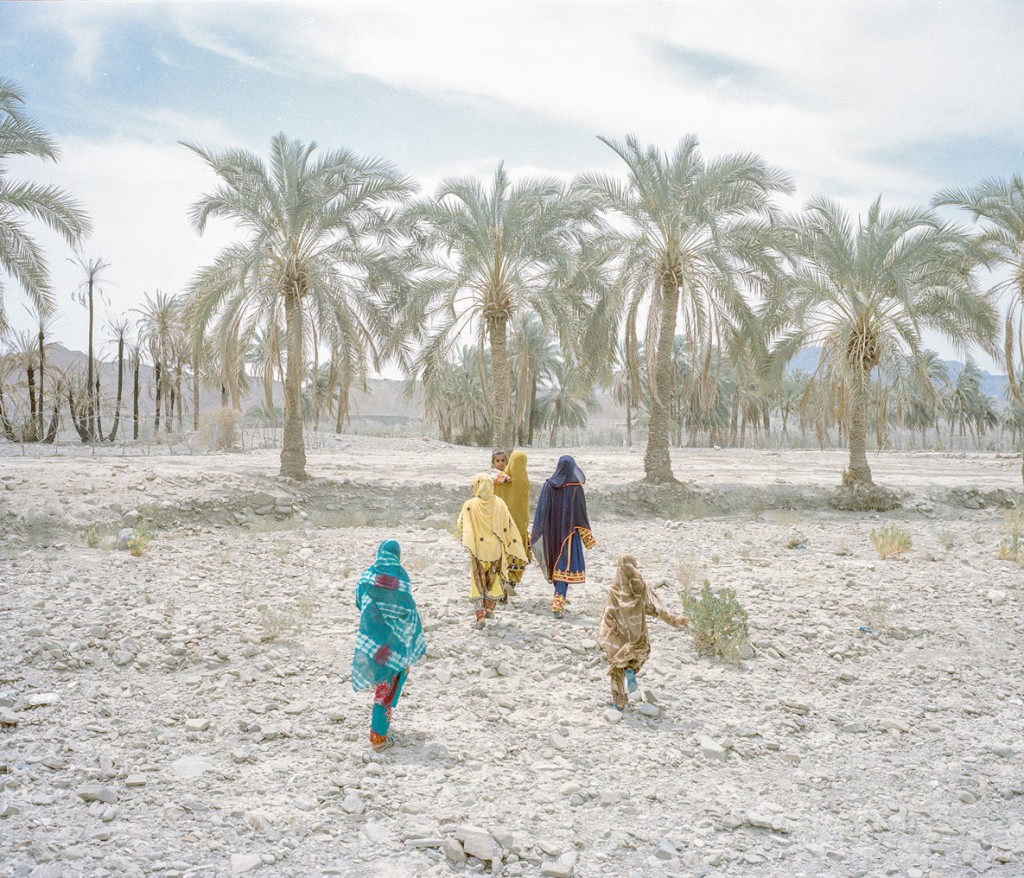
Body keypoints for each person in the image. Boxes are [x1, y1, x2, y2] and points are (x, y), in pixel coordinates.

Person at [351, 539, 427, 752]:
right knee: (386, 689)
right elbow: (409, 610)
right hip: (395, 645)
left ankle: (381, 726)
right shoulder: (400, 579)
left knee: (382, 685)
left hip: (372, 641)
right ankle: (378, 738)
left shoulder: (367, 577)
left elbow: (359, 602)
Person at [595, 555, 688, 711]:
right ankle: (630, 669)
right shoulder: (641, 588)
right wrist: (675, 620)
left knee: (616, 666)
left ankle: (619, 699)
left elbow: (608, 614)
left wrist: (603, 634)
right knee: (632, 658)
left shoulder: (614, 590)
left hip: (618, 637)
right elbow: (656, 608)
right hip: (637, 637)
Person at [457, 472, 527, 628]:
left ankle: (480, 616)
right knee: (495, 579)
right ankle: (490, 608)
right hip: (496, 550)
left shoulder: (470, 504)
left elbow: (461, 525)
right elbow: (509, 524)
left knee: (477, 581)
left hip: (478, 551)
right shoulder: (500, 503)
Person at [530, 454, 595, 618]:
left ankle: (558, 598)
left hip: (551, 534)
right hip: (569, 536)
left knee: (557, 566)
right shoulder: (575, 487)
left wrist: (538, 533)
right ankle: (558, 601)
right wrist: (587, 538)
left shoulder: (548, 485)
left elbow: (541, 513)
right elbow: (581, 515)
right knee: (564, 566)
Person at [493, 449, 531, 601]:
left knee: (501, 558)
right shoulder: (524, 482)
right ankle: (511, 583)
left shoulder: (499, 479)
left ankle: (500, 588)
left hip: (501, 526)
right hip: (520, 528)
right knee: (519, 557)